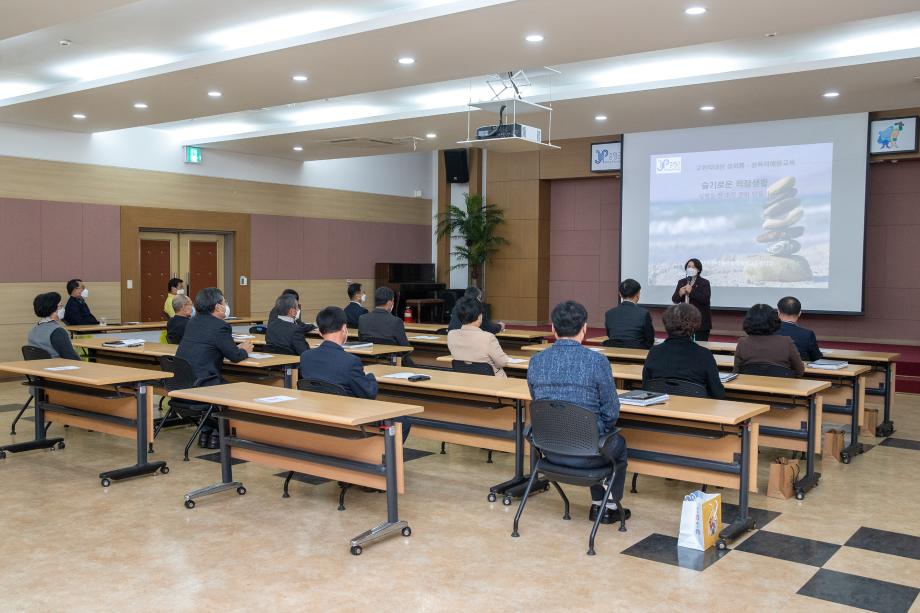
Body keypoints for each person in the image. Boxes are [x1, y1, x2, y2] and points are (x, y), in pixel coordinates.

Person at [527, 300, 629, 524]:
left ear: (552, 329)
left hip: (549, 451)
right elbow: (611, 412)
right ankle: (607, 506)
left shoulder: (536, 361)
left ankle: (599, 504)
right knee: (616, 443)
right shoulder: (597, 362)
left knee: (593, 433)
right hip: (589, 454)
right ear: (585, 328)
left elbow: (539, 403)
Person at [177, 287, 254, 448]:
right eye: (224, 302)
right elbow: (235, 357)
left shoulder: (193, 322)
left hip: (184, 382)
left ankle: (207, 432)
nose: (226, 305)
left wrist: (233, 347)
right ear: (218, 306)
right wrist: (244, 350)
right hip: (203, 383)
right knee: (243, 390)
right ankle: (220, 433)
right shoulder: (221, 326)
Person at [643, 303, 725, 398]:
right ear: (695, 325)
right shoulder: (704, 355)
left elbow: (646, 386)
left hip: (661, 409)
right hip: (696, 410)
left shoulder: (654, 352)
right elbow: (718, 393)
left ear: (666, 324)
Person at [299, 306, 378, 399]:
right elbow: (369, 393)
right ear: (344, 328)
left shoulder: (305, 357)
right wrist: (370, 377)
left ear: (320, 332)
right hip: (347, 410)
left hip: (317, 409)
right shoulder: (351, 362)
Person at [734, 304, 805, 376]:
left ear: (748, 321)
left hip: (749, 385)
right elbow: (799, 371)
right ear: (774, 320)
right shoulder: (786, 342)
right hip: (781, 385)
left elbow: (736, 372)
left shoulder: (742, 342)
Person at [447, 297, 510, 377]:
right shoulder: (488, 337)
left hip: (464, 379)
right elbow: (502, 362)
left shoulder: (451, 335)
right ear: (480, 317)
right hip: (492, 382)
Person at [27, 292, 80, 360]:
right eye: (61, 306)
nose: (63, 309)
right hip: (58, 368)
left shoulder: (34, 330)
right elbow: (71, 357)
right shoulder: (57, 331)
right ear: (53, 308)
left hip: (39, 367)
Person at [604, 278, 655, 349]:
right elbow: (650, 340)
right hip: (638, 354)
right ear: (638, 295)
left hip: (613, 351)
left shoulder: (609, 313)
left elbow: (610, 335)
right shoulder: (643, 314)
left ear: (620, 294)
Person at [671, 259, 711, 341]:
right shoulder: (681, 282)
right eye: (689, 266)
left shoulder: (704, 283)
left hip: (700, 322)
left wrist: (691, 291)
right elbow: (675, 300)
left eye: (693, 267)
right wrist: (679, 293)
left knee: (700, 346)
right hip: (684, 321)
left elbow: (705, 299)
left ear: (699, 270)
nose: (691, 268)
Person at [775, 296, 823, 362]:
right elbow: (816, 358)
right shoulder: (807, 334)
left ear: (778, 312)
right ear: (799, 313)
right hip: (799, 371)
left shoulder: (768, 331)